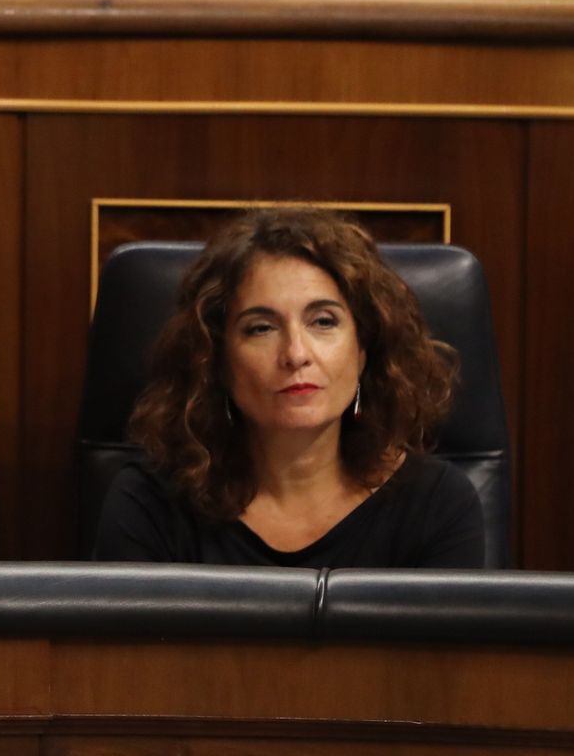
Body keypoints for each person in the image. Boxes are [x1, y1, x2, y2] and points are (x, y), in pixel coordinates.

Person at [95, 208, 485, 567]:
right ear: (216, 359)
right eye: (261, 328)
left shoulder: (436, 504)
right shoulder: (150, 503)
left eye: (323, 322)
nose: (296, 354)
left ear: (363, 350)